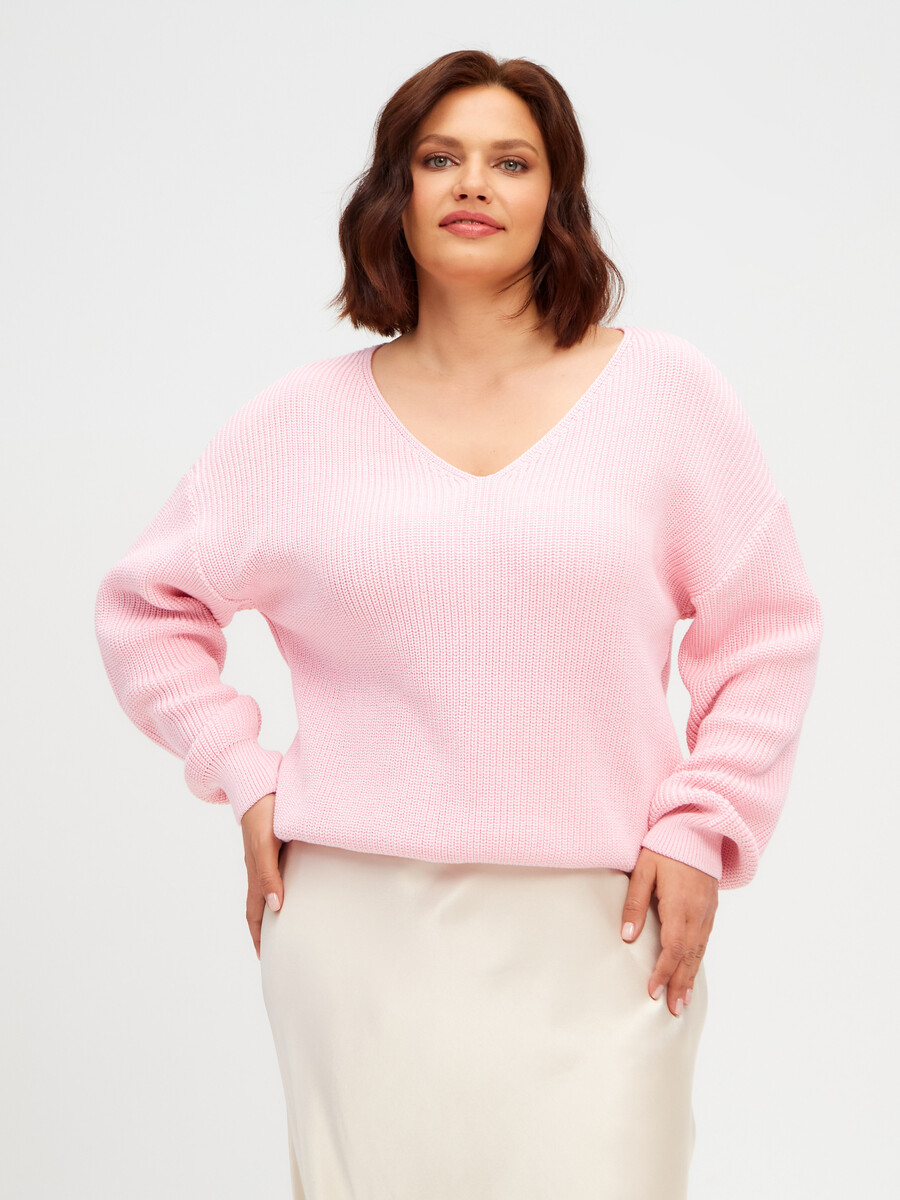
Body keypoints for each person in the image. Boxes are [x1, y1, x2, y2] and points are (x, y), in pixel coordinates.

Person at [94, 49, 824, 1200]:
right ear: (397, 193)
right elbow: (147, 608)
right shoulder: (298, 423)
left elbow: (766, 632)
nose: (474, 182)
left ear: (557, 197)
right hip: (357, 932)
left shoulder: (669, 397)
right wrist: (243, 770)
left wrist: (702, 827)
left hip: (603, 926)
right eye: (440, 158)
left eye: (511, 161)